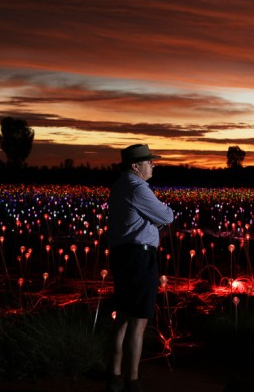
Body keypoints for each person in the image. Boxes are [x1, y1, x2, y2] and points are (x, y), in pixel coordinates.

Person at [106, 144, 175, 392]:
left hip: (123, 255)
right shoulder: (137, 188)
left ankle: (114, 376)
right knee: (138, 321)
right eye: (149, 162)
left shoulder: (119, 186)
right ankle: (132, 381)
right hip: (138, 258)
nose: (153, 165)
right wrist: (160, 219)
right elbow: (167, 216)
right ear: (136, 166)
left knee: (123, 317)